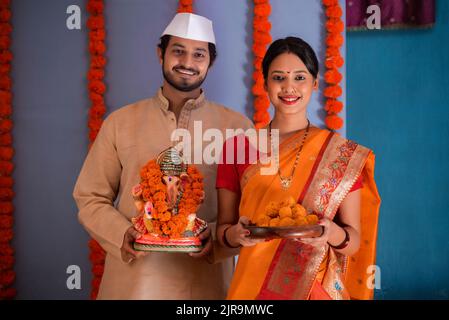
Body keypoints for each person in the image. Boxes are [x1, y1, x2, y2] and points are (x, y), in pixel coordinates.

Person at [73, 13, 253, 299]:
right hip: (133, 284)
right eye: (178, 51)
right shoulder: (121, 122)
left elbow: (252, 206)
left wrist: (217, 238)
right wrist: (123, 233)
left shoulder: (237, 128)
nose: (187, 63)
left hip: (205, 285)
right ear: (161, 53)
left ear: (211, 61)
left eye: (198, 54)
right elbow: (89, 195)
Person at [216, 37, 381, 300]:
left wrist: (330, 232)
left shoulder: (340, 153)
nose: (289, 87)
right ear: (265, 84)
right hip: (252, 289)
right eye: (278, 77)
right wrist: (236, 234)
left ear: (315, 83)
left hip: (315, 287)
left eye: (300, 78)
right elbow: (222, 232)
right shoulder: (237, 148)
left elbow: (353, 241)